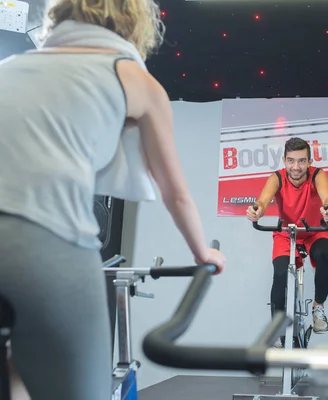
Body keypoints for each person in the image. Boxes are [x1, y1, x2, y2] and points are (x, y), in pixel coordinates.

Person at [0, 0, 226, 399]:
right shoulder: (134, 78)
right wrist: (202, 253)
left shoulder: (10, 68)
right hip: (48, 246)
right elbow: (175, 192)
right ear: (135, 24)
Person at [247, 137, 328, 344]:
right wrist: (257, 211)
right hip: (286, 233)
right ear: (284, 160)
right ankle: (279, 330)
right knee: (279, 277)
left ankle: (318, 307)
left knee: (325, 253)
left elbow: (327, 197)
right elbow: (263, 200)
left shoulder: (317, 175)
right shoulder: (277, 177)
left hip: (314, 231)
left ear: (309, 161)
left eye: (302, 161)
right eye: (291, 161)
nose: (296, 167)